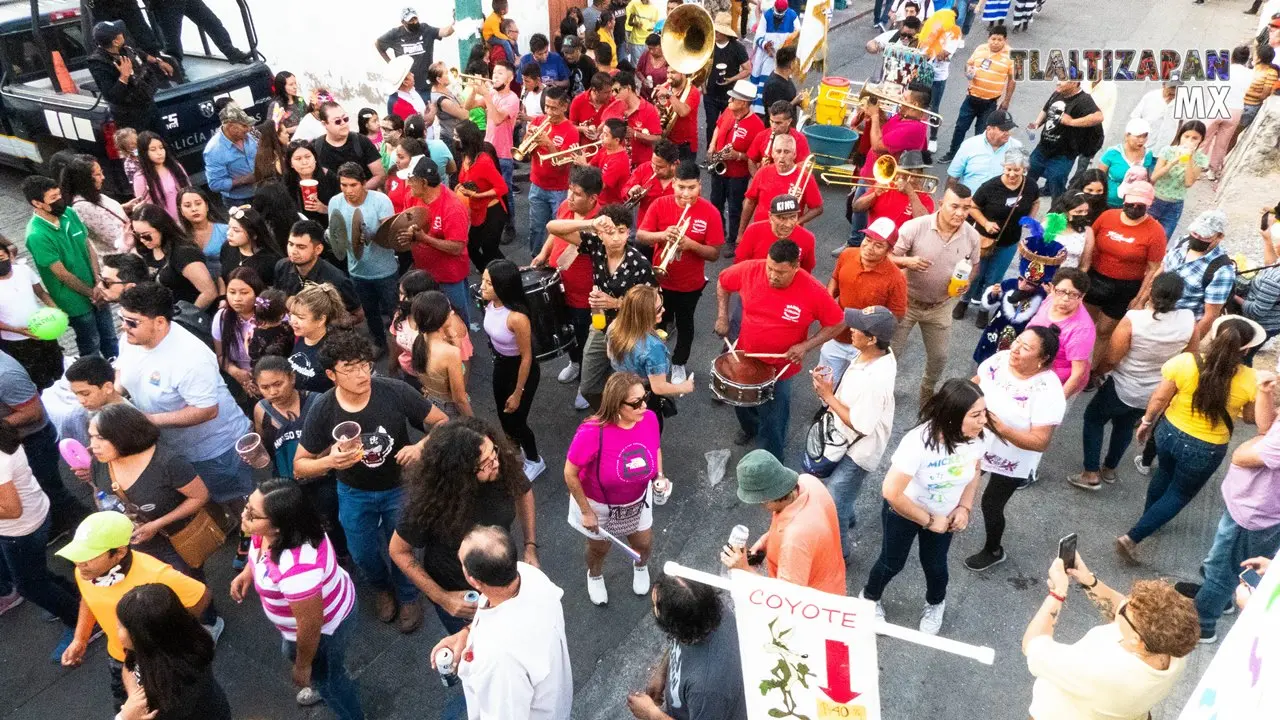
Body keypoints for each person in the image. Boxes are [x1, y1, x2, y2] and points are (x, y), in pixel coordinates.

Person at [295, 329, 447, 631]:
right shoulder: (324, 408)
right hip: (353, 491)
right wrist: (329, 461)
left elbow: (442, 423)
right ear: (331, 374)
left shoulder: (393, 390)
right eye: (349, 369)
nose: (361, 374)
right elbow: (299, 466)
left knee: (402, 546)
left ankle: (407, 595)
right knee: (362, 552)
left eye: (364, 364)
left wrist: (420, 447)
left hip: (398, 487)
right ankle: (380, 588)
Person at [1117, 317, 1266, 563]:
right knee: (1180, 493)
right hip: (1206, 447)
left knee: (1163, 474)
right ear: (1247, 349)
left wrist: (1146, 423)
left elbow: (1159, 398)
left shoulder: (1186, 361)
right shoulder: (1252, 379)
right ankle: (1135, 535)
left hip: (1169, 432)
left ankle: (1150, 517)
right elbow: (1251, 419)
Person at [860, 379, 987, 634]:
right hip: (904, 512)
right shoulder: (918, 442)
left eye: (985, 413)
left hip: (945, 515)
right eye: (976, 415)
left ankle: (936, 603)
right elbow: (891, 491)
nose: (983, 420)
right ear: (953, 416)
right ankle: (869, 599)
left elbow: (975, 470)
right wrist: (929, 520)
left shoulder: (975, 438)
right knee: (891, 562)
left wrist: (964, 507)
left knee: (936, 565)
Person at [230, 478, 363, 719]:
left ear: (279, 526)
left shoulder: (298, 568)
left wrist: (303, 666)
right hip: (307, 624)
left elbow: (311, 625)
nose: (243, 515)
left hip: (326, 631)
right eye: (247, 506)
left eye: (252, 514)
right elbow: (259, 548)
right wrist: (249, 572)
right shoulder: (272, 531)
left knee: (331, 681)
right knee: (322, 669)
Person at [115, 283, 253, 507]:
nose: (124, 327)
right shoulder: (131, 340)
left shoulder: (190, 357)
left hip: (216, 451)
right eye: (122, 318)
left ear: (159, 322)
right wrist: (113, 394)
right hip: (176, 448)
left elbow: (207, 410)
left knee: (241, 505)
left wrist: (149, 421)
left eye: (132, 322)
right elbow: (122, 369)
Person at [57, 511, 212, 711]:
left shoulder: (158, 575)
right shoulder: (86, 573)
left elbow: (201, 596)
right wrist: (80, 638)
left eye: (88, 556)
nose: (80, 563)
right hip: (119, 660)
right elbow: (89, 599)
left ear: (119, 552)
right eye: (78, 555)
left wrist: (166, 636)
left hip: (159, 663)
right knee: (123, 706)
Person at [1022, 553, 1198, 720]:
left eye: (1124, 610)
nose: (1122, 603)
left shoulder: (1101, 671)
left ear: (1136, 640)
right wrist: (1088, 581)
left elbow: (1032, 645)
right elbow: (1122, 609)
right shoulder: (1173, 649)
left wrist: (1057, 593)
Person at [1176, 368, 1280, 642]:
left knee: (1224, 569)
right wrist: (1265, 393)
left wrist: (1251, 446)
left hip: (1253, 515)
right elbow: (1265, 429)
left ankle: (1202, 625)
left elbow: (1241, 457)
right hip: (1251, 507)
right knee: (1227, 563)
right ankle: (1222, 599)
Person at [715, 239, 844, 459]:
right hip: (745, 356)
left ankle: (771, 459)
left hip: (780, 368)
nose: (772, 276)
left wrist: (806, 345)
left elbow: (838, 322)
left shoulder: (813, 290)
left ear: (796, 267)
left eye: (780, 272)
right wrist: (722, 316)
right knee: (741, 402)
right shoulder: (750, 270)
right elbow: (723, 282)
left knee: (774, 417)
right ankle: (751, 429)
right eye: (770, 268)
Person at [429, 526, 571, 720]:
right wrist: (466, 633)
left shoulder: (499, 658)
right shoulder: (528, 575)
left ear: (474, 581)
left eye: (461, 561)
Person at [1070, 273, 1194, 491]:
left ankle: (1090, 472)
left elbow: (1111, 359)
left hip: (1123, 384)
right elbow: (1190, 356)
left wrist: (1096, 373)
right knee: (1125, 426)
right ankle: (1109, 469)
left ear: (1151, 292)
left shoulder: (1135, 320)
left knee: (1093, 418)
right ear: (1178, 298)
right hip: (1153, 390)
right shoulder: (1188, 320)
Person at [965, 327, 1066, 571]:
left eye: (1026, 348)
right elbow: (976, 383)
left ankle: (993, 550)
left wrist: (1003, 429)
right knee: (960, 481)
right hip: (977, 441)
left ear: (1043, 359)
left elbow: (1040, 441)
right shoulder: (999, 361)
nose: (1015, 349)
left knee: (991, 504)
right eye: (1018, 341)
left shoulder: (1048, 390)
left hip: (1012, 457)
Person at [87, 401, 216, 582]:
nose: (93, 445)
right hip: (133, 542)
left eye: (100, 438)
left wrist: (156, 524)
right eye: (91, 437)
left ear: (123, 436)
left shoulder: (167, 462)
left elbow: (200, 496)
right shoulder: (99, 461)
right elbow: (98, 491)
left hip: (176, 540)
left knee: (189, 584)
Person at [565, 372, 663, 605]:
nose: (644, 406)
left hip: (638, 500)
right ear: (616, 404)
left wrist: (660, 476)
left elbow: (656, 449)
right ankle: (595, 574)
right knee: (599, 548)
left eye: (644, 397)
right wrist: (586, 511)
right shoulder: (591, 432)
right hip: (598, 505)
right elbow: (570, 473)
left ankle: (640, 566)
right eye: (636, 402)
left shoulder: (648, 418)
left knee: (643, 544)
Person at [546, 205, 657, 409]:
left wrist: (616, 303)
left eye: (622, 231)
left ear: (629, 232)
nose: (615, 238)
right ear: (600, 233)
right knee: (588, 387)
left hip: (629, 332)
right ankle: (608, 413)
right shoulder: (595, 245)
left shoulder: (639, 264)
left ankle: (623, 417)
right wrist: (590, 223)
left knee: (628, 390)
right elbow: (552, 227)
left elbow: (653, 306)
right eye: (609, 231)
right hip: (600, 325)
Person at [810, 307, 898, 559]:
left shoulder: (875, 379)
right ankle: (848, 517)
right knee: (844, 495)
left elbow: (861, 425)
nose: (850, 330)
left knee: (835, 500)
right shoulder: (876, 353)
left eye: (857, 328)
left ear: (872, 339)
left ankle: (840, 555)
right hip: (845, 440)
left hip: (858, 451)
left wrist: (827, 396)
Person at [889, 186, 982, 406]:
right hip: (906, 302)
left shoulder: (972, 235)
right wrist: (907, 262)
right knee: (890, 354)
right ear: (941, 204)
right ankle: (882, 394)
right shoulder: (914, 227)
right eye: (955, 206)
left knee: (939, 357)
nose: (960, 213)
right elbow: (889, 256)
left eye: (966, 208)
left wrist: (967, 282)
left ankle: (926, 395)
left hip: (940, 306)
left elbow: (975, 264)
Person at [636, 159, 724, 382]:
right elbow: (640, 236)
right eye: (681, 187)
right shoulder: (659, 204)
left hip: (689, 284)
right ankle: (654, 362)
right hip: (660, 280)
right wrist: (663, 235)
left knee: (685, 325)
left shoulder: (710, 212)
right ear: (673, 183)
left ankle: (679, 363)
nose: (686, 193)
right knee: (655, 324)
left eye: (692, 188)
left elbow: (714, 254)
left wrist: (691, 245)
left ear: (700, 186)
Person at [0, 422, 80, 656]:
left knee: (30, 586)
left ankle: (80, 621)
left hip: (20, 529)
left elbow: (13, 509)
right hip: (34, 514)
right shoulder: (5, 434)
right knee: (34, 573)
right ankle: (74, 595)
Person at [720, 448, 845, 593]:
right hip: (831, 577)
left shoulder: (795, 540)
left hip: (814, 603)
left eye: (761, 502)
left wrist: (744, 570)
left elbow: (786, 596)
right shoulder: (807, 481)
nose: (762, 507)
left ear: (768, 500)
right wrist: (765, 541)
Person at [626, 573, 748, 720]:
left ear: (674, 625)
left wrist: (652, 714)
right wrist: (662, 673)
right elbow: (678, 641)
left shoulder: (706, 691)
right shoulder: (708, 611)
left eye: (656, 606)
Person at [21, 175, 117, 359]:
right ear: (37, 203)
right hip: (73, 300)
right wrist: (91, 293)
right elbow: (61, 274)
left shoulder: (69, 213)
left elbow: (88, 246)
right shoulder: (36, 235)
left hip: (97, 288)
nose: (59, 200)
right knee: (91, 343)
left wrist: (99, 281)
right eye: (53, 198)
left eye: (59, 194)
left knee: (110, 337)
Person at [534, 166, 604, 400]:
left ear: (593, 198)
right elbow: (556, 233)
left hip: (585, 295)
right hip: (558, 285)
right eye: (569, 191)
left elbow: (564, 232)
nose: (570, 198)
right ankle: (575, 363)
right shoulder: (566, 207)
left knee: (585, 338)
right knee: (566, 331)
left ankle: (586, 382)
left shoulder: (601, 223)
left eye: (577, 194)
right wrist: (544, 254)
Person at [1081, 181, 1167, 374]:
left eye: (1140, 206)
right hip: (1095, 279)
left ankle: (1092, 369)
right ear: (1124, 200)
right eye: (1131, 204)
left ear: (1148, 206)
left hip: (1125, 287)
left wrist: (1140, 298)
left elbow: (1154, 268)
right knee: (1084, 323)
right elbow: (1088, 242)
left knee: (1104, 331)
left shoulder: (1155, 231)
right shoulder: (1107, 216)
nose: (1134, 208)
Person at [114, 583, 230, 720]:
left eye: (121, 626)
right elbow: (129, 666)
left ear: (143, 635)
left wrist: (126, 717)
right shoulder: (157, 647)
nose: (115, 628)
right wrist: (134, 692)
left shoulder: (178, 692)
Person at [481, 261, 547, 480]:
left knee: (517, 420)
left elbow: (527, 357)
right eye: (483, 280)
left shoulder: (517, 318)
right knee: (503, 414)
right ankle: (515, 450)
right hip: (501, 364)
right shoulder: (489, 303)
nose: (482, 286)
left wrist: (518, 392)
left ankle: (535, 460)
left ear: (503, 286)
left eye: (489, 283)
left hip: (520, 369)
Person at [956, 149, 1038, 323]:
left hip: (1009, 241)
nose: (1012, 174)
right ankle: (963, 301)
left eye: (1017, 170)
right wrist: (985, 223)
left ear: (1024, 169)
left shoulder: (1030, 186)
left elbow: (1036, 201)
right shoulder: (990, 187)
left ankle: (984, 307)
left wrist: (1029, 219)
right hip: (984, 239)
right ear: (1003, 167)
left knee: (994, 278)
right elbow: (972, 207)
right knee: (976, 272)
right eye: (1008, 169)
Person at [820, 218, 907, 378]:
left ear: (889, 250)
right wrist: (829, 300)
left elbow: (896, 316)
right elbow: (835, 280)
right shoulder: (846, 255)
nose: (869, 248)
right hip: (835, 336)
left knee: (852, 390)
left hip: (864, 346)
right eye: (868, 240)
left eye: (878, 245)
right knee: (825, 381)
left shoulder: (896, 279)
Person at [845, 86, 930, 248]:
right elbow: (884, 131)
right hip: (871, 170)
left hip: (882, 174)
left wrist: (875, 115)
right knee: (857, 206)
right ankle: (855, 241)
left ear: (916, 104)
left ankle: (857, 244)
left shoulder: (915, 128)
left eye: (905, 100)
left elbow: (877, 145)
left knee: (863, 210)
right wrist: (878, 116)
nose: (900, 102)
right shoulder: (902, 116)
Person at [972, 223, 1066, 364]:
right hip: (996, 330)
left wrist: (1050, 299)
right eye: (1021, 279)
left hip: (1021, 337)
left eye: (1029, 283)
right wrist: (994, 294)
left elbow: (1050, 318)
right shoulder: (1009, 283)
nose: (1022, 285)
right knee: (987, 359)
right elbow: (989, 304)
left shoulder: (1043, 295)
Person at [328, 162, 397, 352]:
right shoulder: (335, 202)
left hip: (385, 270)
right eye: (343, 185)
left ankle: (400, 345)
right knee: (369, 311)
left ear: (364, 183)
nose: (348, 190)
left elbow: (390, 235)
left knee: (395, 312)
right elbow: (335, 232)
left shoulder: (381, 201)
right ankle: (379, 342)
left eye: (353, 185)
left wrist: (372, 234)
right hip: (357, 271)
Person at [607, 285, 695, 432]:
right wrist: (684, 387)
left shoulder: (615, 326)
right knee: (648, 438)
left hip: (618, 391)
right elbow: (659, 387)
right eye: (658, 309)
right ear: (644, 315)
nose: (664, 310)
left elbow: (609, 355)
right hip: (643, 398)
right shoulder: (653, 348)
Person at [400, 157, 474, 323]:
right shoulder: (411, 197)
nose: (408, 184)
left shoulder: (452, 207)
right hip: (424, 273)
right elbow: (406, 222)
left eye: (411, 180)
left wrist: (424, 239)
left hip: (449, 276)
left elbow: (457, 247)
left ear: (424, 182)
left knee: (457, 318)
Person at [938, 26, 1016, 163]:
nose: (996, 42)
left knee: (982, 133)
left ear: (1005, 40)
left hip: (990, 102)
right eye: (993, 39)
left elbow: (1012, 80)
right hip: (971, 98)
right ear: (988, 39)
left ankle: (975, 159)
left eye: (999, 39)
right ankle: (952, 153)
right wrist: (968, 71)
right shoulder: (980, 49)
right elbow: (968, 64)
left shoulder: (1011, 56)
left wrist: (1006, 101)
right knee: (960, 127)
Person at [708, 80, 765, 248]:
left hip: (737, 175)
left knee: (734, 209)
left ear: (744, 103)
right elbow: (718, 127)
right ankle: (718, 235)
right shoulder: (728, 111)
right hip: (719, 168)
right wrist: (712, 146)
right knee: (715, 203)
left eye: (733, 99)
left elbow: (757, 157)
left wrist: (738, 155)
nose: (729, 101)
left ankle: (732, 240)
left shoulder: (757, 125)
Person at [85, 21, 170, 135]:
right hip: (130, 116)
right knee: (142, 146)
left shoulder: (124, 48)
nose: (122, 33)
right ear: (115, 41)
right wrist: (124, 76)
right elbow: (112, 96)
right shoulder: (98, 63)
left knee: (163, 140)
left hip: (147, 104)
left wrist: (158, 61)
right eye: (119, 32)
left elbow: (139, 54)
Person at [0, 238, 62, 390]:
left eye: (1, 257)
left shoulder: (23, 270)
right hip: (17, 341)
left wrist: (54, 309)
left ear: (9, 255)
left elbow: (40, 292)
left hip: (44, 330)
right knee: (39, 378)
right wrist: (19, 330)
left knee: (58, 367)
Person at [130, 203, 217, 311]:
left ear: (161, 229)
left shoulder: (183, 253)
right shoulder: (147, 250)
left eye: (146, 235)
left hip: (190, 316)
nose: (142, 240)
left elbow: (209, 292)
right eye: (137, 235)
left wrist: (186, 317)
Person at [1026, 267, 1096, 402]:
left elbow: (1077, 374)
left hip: (1053, 379)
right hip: (1032, 365)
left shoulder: (1082, 329)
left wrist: (1057, 403)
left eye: (1073, 295)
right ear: (1052, 288)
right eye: (1061, 291)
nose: (1064, 299)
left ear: (1082, 297)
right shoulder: (1050, 300)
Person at [468, 62, 522, 238]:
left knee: (505, 192)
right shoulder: (491, 93)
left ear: (510, 77)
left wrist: (487, 95)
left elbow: (498, 118)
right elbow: (468, 106)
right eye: (494, 73)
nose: (495, 76)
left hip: (503, 153)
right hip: (487, 150)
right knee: (486, 188)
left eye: (500, 73)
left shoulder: (513, 99)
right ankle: (491, 221)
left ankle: (510, 225)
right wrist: (473, 90)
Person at [1027, 79, 1104, 199]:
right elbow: (1046, 108)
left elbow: (1098, 117)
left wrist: (1072, 122)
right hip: (1041, 150)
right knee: (1026, 181)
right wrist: (1037, 123)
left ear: (1074, 83)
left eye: (1062, 80)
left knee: (1057, 191)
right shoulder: (1058, 93)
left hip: (1062, 156)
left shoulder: (1084, 100)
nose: (1058, 82)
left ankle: (1056, 215)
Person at [525, 87, 579, 254]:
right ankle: (535, 259)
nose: (549, 111)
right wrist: (528, 138)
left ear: (564, 107)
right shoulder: (537, 121)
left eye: (553, 108)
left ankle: (553, 260)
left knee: (558, 230)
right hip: (537, 185)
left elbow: (562, 164)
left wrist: (548, 144)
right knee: (536, 228)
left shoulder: (571, 131)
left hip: (558, 189)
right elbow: (526, 152)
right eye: (546, 106)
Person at [738, 135, 823, 237]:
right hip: (761, 232)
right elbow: (750, 202)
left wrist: (797, 223)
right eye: (778, 151)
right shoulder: (762, 172)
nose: (782, 156)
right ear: (772, 154)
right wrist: (741, 233)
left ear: (794, 154)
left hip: (787, 234)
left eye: (786, 152)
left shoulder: (804, 176)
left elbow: (817, 208)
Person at [273, 220, 361, 317]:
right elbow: (277, 295)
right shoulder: (282, 267)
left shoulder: (337, 279)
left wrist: (325, 323)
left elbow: (357, 314)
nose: (293, 251)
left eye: (301, 247)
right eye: (290, 244)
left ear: (318, 249)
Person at [853, 151, 937, 249]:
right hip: (874, 242)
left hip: (901, 248)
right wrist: (874, 194)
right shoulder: (885, 186)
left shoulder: (925, 198)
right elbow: (856, 207)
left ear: (919, 175)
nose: (901, 177)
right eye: (900, 172)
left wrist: (911, 193)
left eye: (909, 173)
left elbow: (924, 224)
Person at [408, 291, 473, 417]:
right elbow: (459, 400)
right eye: (449, 311)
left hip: (430, 405)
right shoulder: (451, 353)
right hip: (450, 410)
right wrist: (475, 424)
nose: (452, 312)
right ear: (440, 317)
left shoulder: (419, 341)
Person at [376, 7, 455, 102]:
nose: (414, 22)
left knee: (428, 110)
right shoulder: (395, 34)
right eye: (410, 21)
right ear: (403, 22)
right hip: (407, 86)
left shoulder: (425, 29)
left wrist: (454, 23)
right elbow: (378, 44)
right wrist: (391, 63)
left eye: (415, 19)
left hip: (426, 83)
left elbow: (444, 32)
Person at [1148, 121, 1209, 240]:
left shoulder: (1200, 158)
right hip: (1156, 199)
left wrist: (1190, 158)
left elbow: (1188, 183)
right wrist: (1172, 163)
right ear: (1180, 136)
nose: (1190, 141)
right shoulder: (1168, 151)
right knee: (1143, 234)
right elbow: (1154, 177)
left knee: (1163, 238)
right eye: (1186, 136)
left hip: (1175, 204)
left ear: (1201, 140)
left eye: (1195, 138)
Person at [63, 154, 131, 259]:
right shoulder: (82, 208)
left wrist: (125, 207)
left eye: (101, 172)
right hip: (120, 259)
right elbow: (116, 238)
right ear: (85, 180)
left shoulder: (93, 195)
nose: (103, 177)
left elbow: (104, 214)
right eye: (98, 174)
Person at [286, 283, 349, 394]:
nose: (293, 321)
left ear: (321, 320)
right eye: (292, 314)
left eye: (301, 317)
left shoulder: (336, 349)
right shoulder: (299, 336)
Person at [736, 195, 818, 274]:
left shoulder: (807, 238)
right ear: (770, 216)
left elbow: (805, 271)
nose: (788, 224)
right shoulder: (753, 231)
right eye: (782, 218)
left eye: (792, 217)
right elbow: (740, 265)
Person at [945, 109, 1022, 193]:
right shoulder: (969, 145)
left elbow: (1021, 179)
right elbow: (952, 178)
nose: (1007, 133)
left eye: (1009, 129)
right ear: (989, 129)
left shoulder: (1017, 147)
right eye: (1003, 130)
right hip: (970, 202)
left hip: (999, 203)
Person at [704, 13, 751, 151]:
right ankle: (710, 152)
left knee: (727, 126)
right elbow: (700, 66)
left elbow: (747, 69)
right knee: (711, 124)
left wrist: (732, 79)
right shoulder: (708, 44)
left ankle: (722, 153)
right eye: (715, 29)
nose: (716, 33)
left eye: (719, 30)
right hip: (710, 93)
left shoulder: (737, 48)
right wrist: (703, 87)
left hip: (730, 96)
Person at [314, 103, 386, 191]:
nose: (343, 123)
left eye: (345, 119)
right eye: (337, 121)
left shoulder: (361, 141)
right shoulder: (317, 147)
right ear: (325, 124)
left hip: (363, 198)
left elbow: (380, 175)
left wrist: (357, 192)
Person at [602, 71, 663, 170]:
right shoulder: (615, 105)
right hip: (619, 164)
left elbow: (657, 138)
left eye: (617, 90)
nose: (613, 94)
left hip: (641, 165)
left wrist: (636, 134)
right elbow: (604, 124)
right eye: (612, 91)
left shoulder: (649, 109)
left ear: (628, 88)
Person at [203, 104, 259, 208]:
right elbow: (215, 184)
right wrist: (244, 180)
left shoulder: (249, 136)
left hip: (260, 192)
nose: (249, 129)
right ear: (230, 127)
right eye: (244, 126)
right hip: (238, 201)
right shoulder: (214, 150)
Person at [219, 205, 283, 289]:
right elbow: (221, 277)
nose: (229, 233)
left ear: (253, 234)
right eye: (229, 227)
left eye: (236, 230)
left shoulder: (270, 261)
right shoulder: (227, 247)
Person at [624, 139, 679, 235]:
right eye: (653, 164)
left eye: (660, 167)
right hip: (645, 230)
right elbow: (626, 188)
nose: (655, 169)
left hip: (671, 232)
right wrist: (631, 191)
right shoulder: (644, 168)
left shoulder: (684, 178)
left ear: (674, 164)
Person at [133, 132, 191, 222]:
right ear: (144, 152)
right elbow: (144, 208)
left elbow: (190, 190)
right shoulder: (141, 178)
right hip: (166, 225)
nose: (159, 153)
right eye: (153, 149)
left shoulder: (176, 167)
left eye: (161, 148)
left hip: (188, 219)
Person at [1098, 118, 1156, 209]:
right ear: (1127, 136)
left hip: (1133, 204)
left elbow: (1147, 179)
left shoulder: (1148, 154)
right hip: (1109, 202)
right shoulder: (1112, 153)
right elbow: (1099, 178)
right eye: (1138, 136)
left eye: (1145, 136)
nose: (1141, 140)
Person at [176, 186, 228, 282]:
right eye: (187, 206)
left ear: (207, 206)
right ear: (181, 211)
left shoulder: (225, 230)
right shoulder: (180, 237)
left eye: (198, 204)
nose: (194, 209)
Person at [284, 141, 341, 228]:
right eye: (298, 159)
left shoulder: (328, 176)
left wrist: (324, 209)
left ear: (315, 158)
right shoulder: (287, 182)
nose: (304, 162)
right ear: (291, 163)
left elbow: (343, 206)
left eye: (308, 157)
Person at [746, 101, 811, 175]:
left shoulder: (800, 139)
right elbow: (751, 160)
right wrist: (757, 179)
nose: (773, 126)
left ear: (789, 121)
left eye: (778, 123)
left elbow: (804, 165)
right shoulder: (762, 136)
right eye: (771, 121)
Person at [592, 119, 633, 206]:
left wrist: (583, 163)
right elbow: (591, 166)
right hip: (598, 201)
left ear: (617, 140)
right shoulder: (605, 149)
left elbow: (601, 186)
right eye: (602, 133)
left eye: (606, 135)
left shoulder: (619, 161)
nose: (601, 137)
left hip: (610, 206)